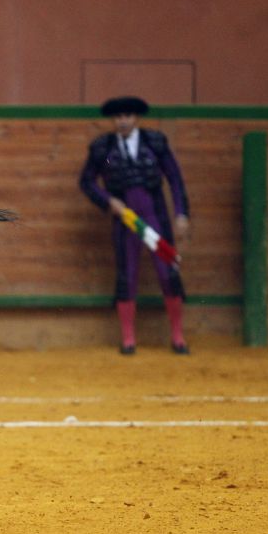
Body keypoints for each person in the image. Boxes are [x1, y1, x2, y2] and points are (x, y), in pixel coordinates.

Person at [79, 96, 191, 355]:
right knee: (126, 275)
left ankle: (178, 337)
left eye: (127, 116)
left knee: (168, 272)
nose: (123, 121)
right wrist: (109, 202)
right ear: (113, 119)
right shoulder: (103, 148)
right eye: (118, 117)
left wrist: (181, 214)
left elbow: (175, 179)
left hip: (156, 216)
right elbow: (86, 181)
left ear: (136, 118)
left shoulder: (155, 143)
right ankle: (128, 339)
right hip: (125, 219)